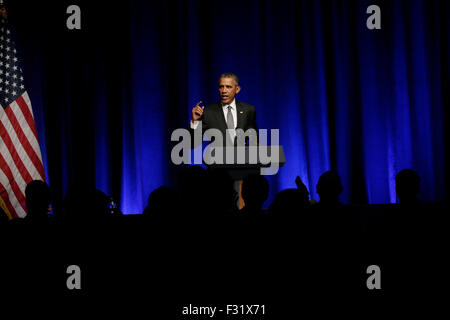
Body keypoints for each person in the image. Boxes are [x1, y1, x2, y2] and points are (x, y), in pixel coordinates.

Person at [190, 72, 258, 148]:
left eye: (228, 87)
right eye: (221, 87)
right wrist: (195, 122)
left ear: (237, 89)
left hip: (242, 158)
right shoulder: (208, 112)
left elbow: (254, 140)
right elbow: (194, 143)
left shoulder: (248, 110)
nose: (224, 91)